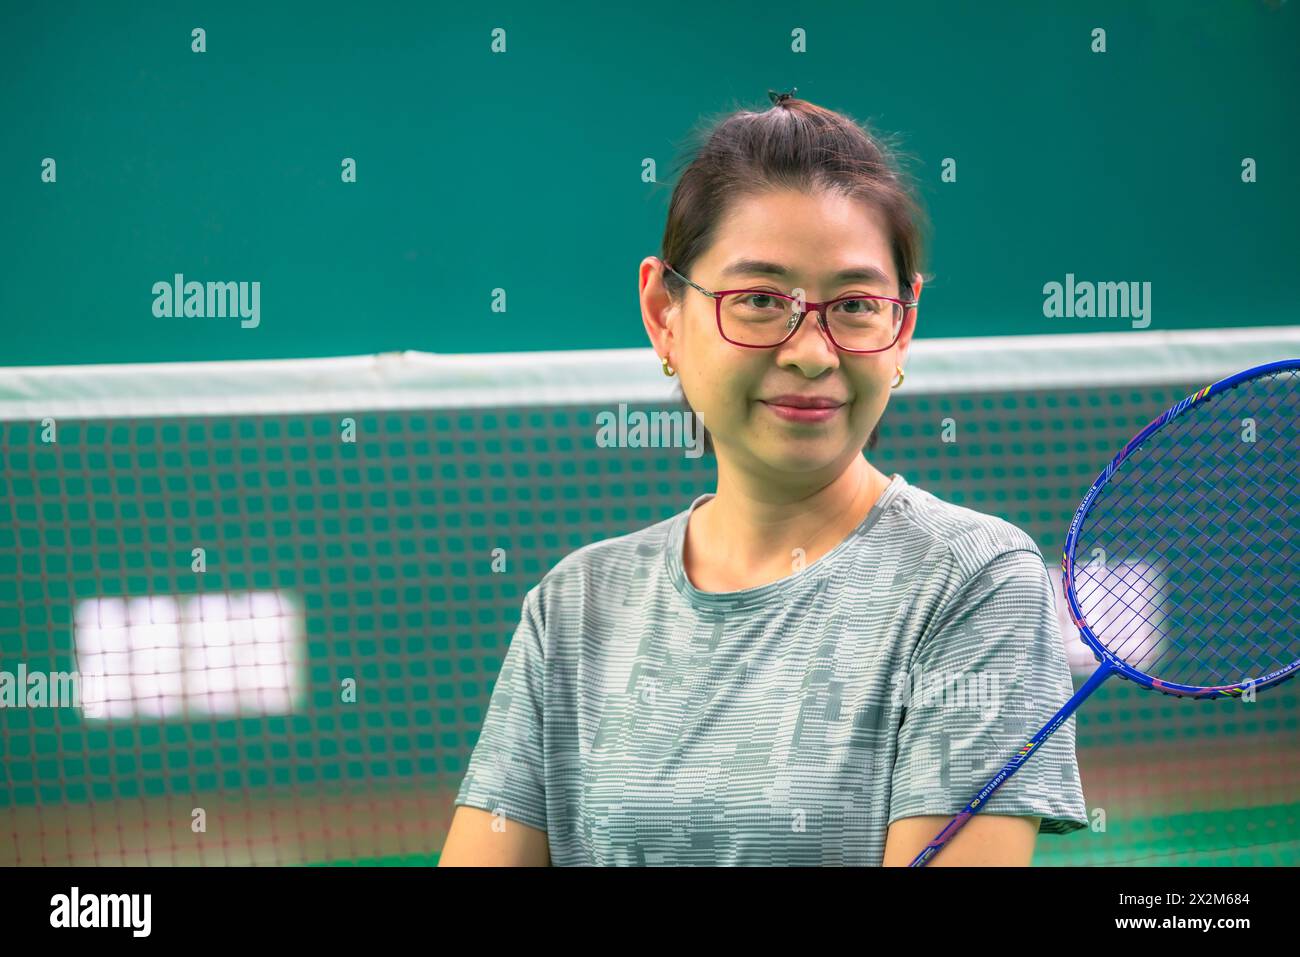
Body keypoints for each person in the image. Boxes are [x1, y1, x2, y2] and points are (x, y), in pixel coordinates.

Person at [440, 90, 1087, 866]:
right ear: (663, 312)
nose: (812, 351)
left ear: (902, 326)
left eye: (853, 305)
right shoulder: (575, 604)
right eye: (758, 300)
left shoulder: (971, 582)